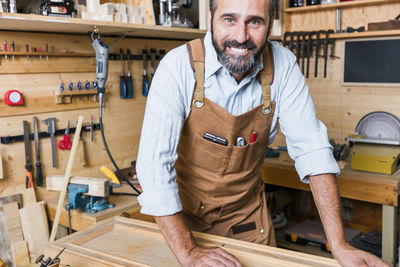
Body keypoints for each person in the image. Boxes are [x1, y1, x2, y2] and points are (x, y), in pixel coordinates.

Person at [136, 0, 390, 266]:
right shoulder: (177, 67)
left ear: (270, 23)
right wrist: (188, 252)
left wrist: (339, 244)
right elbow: (154, 168)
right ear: (211, 17)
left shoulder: (282, 65)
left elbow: (313, 152)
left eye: (254, 21)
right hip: (183, 223)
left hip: (246, 219)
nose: (241, 36)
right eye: (229, 19)